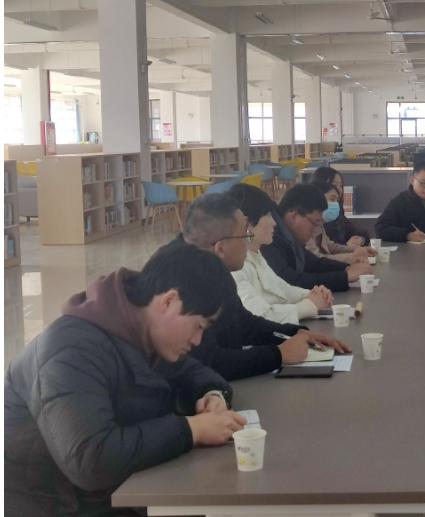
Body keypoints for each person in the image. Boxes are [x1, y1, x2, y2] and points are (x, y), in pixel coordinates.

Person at [5, 243, 248, 516]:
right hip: (53, 504)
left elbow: (191, 371)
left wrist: (212, 394)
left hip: (105, 494)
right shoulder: (70, 350)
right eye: (199, 326)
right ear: (169, 301)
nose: (198, 340)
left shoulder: (140, 331)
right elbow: (91, 461)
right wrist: (192, 430)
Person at [180, 194, 350, 380]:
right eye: (245, 235)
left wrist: (296, 333)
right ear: (220, 248)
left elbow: (246, 324)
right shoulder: (186, 282)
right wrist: (279, 354)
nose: (249, 242)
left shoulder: (216, 267)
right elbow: (213, 361)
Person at [228, 183, 333, 325]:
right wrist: (310, 305)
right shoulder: (234, 266)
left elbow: (282, 289)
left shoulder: (256, 254)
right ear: (248, 223)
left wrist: (311, 294)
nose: (274, 223)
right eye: (267, 215)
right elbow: (261, 315)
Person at [263, 184, 373, 292]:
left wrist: (347, 268)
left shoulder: (288, 237)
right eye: (315, 223)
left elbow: (314, 263)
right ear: (294, 216)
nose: (315, 230)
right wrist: (345, 276)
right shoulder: (269, 238)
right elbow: (289, 281)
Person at [374, 161, 425, 242]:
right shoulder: (400, 201)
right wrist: (408, 235)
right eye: (423, 183)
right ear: (412, 180)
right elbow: (380, 229)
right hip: (406, 249)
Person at [307, 181, 376, 264]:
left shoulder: (320, 224)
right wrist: (353, 257)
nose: (336, 204)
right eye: (332, 199)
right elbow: (316, 259)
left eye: (337, 201)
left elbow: (330, 246)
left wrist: (357, 249)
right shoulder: (305, 226)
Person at [310, 166, 370, 246]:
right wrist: (347, 246)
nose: (339, 190)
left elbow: (356, 231)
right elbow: (324, 250)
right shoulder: (310, 221)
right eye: (334, 185)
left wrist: (360, 239)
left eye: (341, 185)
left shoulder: (336, 211)